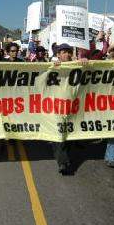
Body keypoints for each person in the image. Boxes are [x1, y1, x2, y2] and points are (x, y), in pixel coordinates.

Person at [51, 43, 75, 175]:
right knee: (59, 133)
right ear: (58, 55)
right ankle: (63, 163)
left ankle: (64, 155)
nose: (66, 54)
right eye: (63, 52)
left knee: (67, 133)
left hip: (72, 105)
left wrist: (84, 62)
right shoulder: (53, 66)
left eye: (68, 52)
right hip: (55, 105)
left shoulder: (76, 64)